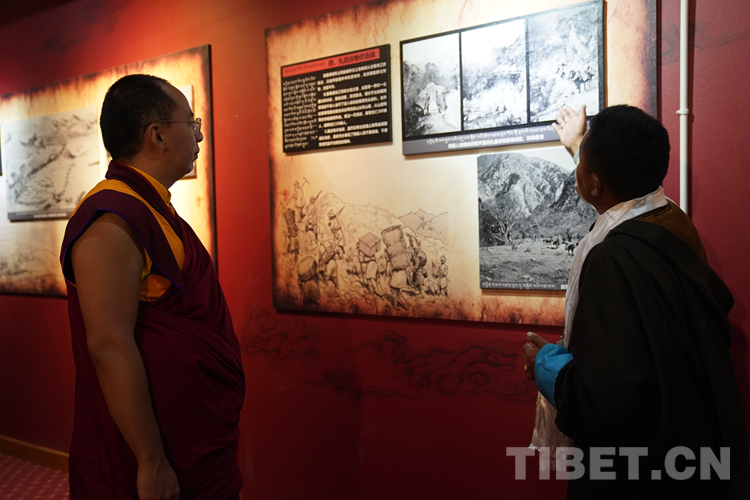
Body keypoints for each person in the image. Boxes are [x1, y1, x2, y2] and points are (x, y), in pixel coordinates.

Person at [523, 104, 749, 498]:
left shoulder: (612, 260)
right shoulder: (671, 220)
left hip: (633, 471)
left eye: (583, 164)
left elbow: (609, 403)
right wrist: (579, 146)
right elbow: (612, 197)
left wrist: (546, 367)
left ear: (594, 183)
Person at [59, 74, 244, 500]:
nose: (199, 136)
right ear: (157, 135)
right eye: (191, 123)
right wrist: (150, 460)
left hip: (192, 433)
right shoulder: (111, 218)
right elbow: (109, 345)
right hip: (150, 447)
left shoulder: (149, 206)